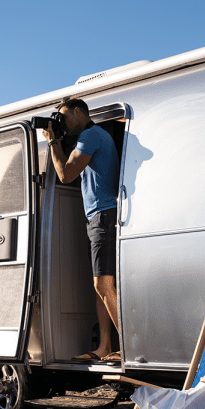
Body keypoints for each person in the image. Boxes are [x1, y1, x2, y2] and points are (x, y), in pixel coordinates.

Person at [43, 98, 121, 363]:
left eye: (64, 117)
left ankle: (130, 348)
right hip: (98, 216)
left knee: (102, 284)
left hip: (104, 214)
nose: (62, 123)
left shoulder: (90, 135)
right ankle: (105, 346)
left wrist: (53, 142)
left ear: (78, 112)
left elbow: (65, 175)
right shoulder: (95, 136)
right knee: (101, 286)